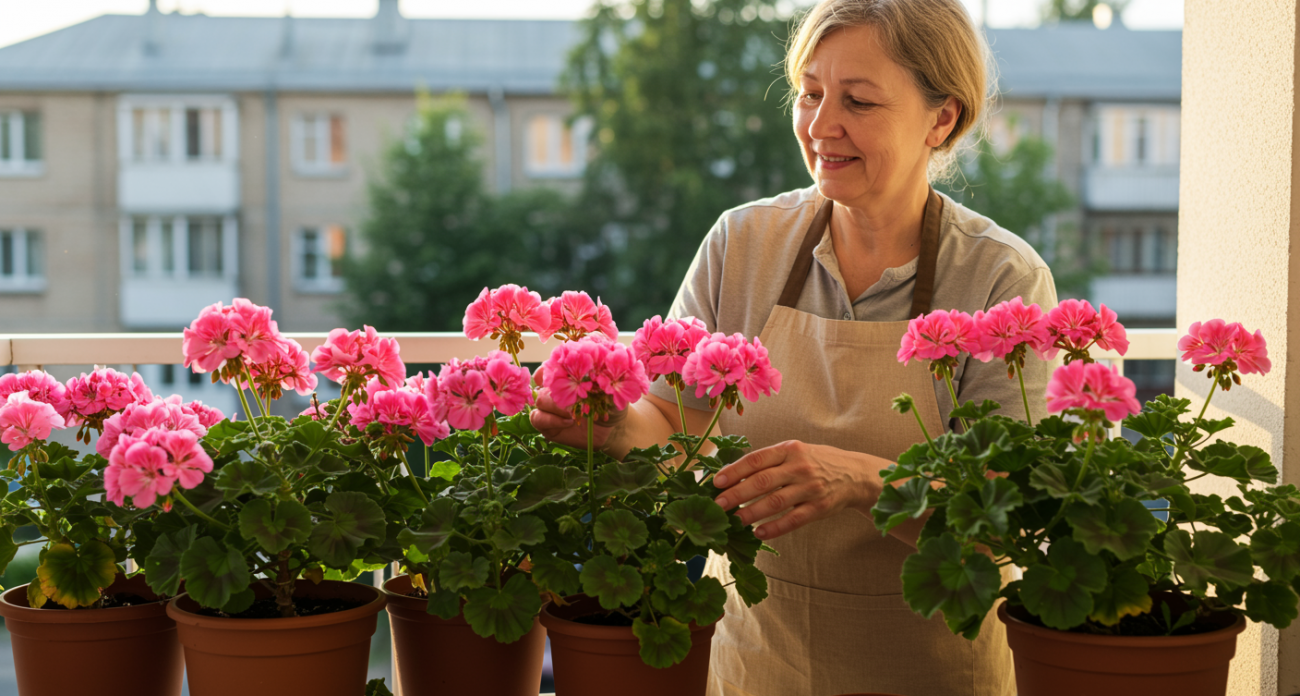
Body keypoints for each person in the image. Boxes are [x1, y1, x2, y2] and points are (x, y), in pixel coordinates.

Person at [531, 1, 1057, 694]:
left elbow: (1002, 517)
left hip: (930, 665)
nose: (820, 125)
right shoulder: (740, 246)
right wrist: (612, 425)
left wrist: (863, 481)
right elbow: (672, 421)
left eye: (858, 101)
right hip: (758, 656)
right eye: (810, 94)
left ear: (942, 118)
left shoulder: (1001, 280)